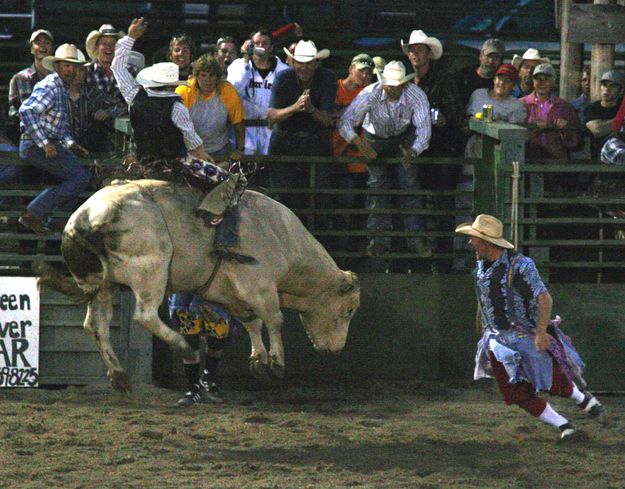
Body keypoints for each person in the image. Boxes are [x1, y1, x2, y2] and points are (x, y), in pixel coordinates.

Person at [456, 214, 607, 442]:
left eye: (474, 238)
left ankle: (584, 400)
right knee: (516, 393)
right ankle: (565, 426)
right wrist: (484, 320)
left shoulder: (521, 266)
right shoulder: (481, 267)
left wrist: (540, 331)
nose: (470, 242)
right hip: (498, 339)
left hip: (522, 333)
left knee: (551, 381)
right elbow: (485, 297)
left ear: (486, 242)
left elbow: (544, 298)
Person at [112, 18, 243, 230]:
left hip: (142, 162)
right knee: (228, 179)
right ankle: (212, 217)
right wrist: (208, 160)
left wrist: (130, 37)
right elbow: (193, 143)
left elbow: (116, 66)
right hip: (175, 164)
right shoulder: (176, 107)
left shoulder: (133, 95)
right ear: (172, 83)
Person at [338, 60, 432, 259]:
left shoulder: (416, 95)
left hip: (403, 137)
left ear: (404, 84)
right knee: (377, 186)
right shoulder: (370, 93)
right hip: (375, 138)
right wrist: (358, 142)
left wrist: (414, 151)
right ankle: (377, 240)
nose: (393, 89)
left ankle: (415, 239)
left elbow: (424, 129)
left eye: (397, 85)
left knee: (409, 185)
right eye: (390, 84)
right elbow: (346, 121)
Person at [17, 44, 91, 235]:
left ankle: (55, 218)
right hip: (35, 144)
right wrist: (45, 143)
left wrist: (70, 144)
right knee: (79, 177)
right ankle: (35, 213)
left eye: (73, 66)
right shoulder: (51, 85)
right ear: (57, 66)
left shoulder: (60, 87)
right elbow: (26, 111)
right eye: (66, 65)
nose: (70, 70)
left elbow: (57, 126)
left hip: (42, 143)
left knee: (77, 175)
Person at [267, 40, 336, 208]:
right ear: (292, 62)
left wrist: (311, 109)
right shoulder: (283, 78)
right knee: (282, 197)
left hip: (316, 142)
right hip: (285, 141)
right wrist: (296, 107)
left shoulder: (327, 78)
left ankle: (316, 232)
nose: (304, 68)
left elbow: (327, 119)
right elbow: (272, 116)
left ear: (316, 63)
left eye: (308, 63)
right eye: (300, 63)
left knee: (318, 197)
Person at [227, 28, 289, 170]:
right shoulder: (238, 66)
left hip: (271, 129)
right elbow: (232, 92)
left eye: (264, 43)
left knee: (270, 173)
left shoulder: (284, 71)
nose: (260, 46)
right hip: (245, 130)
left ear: (271, 47)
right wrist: (245, 59)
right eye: (256, 43)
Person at [331, 53, 374, 253]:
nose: (365, 75)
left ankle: (355, 254)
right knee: (339, 210)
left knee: (358, 211)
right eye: (361, 70)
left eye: (368, 72)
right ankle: (341, 253)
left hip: (359, 160)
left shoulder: (369, 93)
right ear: (350, 69)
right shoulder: (333, 89)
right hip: (336, 156)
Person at [169, 294, 241, 407]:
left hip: (217, 289)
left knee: (218, 336)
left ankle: (208, 378)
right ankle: (193, 388)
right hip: (186, 288)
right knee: (189, 335)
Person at [176, 54, 245, 161]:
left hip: (220, 149)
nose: (207, 80)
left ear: (218, 77)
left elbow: (238, 122)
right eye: (203, 75)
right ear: (196, 76)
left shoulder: (228, 91)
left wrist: (239, 149)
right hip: (190, 150)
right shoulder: (184, 90)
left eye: (211, 75)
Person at [464, 64, 526, 157]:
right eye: (499, 79)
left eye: (507, 81)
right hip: (474, 146)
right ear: (494, 80)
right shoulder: (478, 94)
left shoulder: (516, 105)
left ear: (513, 85)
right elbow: (467, 118)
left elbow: (514, 136)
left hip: (499, 150)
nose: (501, 83)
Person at [520, 64, 581, 160]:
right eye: (538, 79)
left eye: (546, 79)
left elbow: (575, 143)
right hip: (527, 159)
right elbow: (513, 138)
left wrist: (566, 129)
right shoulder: (521, 104)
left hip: (557, 162)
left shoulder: (565, 107)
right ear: (533, 81)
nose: (541, 82)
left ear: (553, 82)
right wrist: (533, 130)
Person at [7, 29, 54, 145]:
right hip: (29, 139)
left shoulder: (59, 78)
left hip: (56, 138)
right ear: (32, 49)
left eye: (47, 42)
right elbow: (13, 113)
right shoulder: (18, 78)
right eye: (38, 42)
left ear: (52, 48)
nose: (42, 46)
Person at [68, 64, 124, 152]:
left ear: (85, 73)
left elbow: (120, 106)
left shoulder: (93, 93)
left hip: (90, 146)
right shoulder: (56, 93)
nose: (77, 74)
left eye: (81, 70)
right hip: (63, 147)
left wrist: (107, 112)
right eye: (73, 70)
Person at [584, 70, 625, 159]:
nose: (607, 89)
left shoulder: (622, 107)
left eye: (612, 86)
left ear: (621, 90)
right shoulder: (593, 108)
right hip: (604, 152)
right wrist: (621, 120)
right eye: (604, 85)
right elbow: (597, 130)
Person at [456, 38, 506, 107]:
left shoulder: (501, 83)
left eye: (496, 57)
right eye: (489, 56)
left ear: (501, 60)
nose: (491, 61)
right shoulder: (463, 76)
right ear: (481, 56)